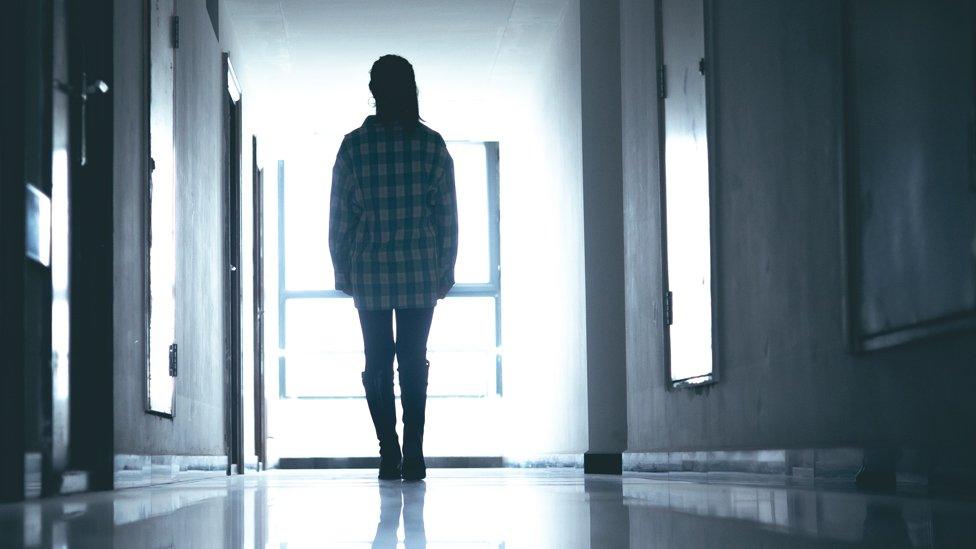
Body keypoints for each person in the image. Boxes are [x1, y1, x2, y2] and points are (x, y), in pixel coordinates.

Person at [329, 54, 458, 481]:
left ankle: (389, 451)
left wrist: (342, 272)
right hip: (420, 269)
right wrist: (445, 269)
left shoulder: (353, 147)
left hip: (370, 272)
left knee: (378, 361)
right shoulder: (431, 144)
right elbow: (446, 217)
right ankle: (416, 452)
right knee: (413, 360)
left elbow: (340, 217)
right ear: (411, 89)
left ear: (373, 92)